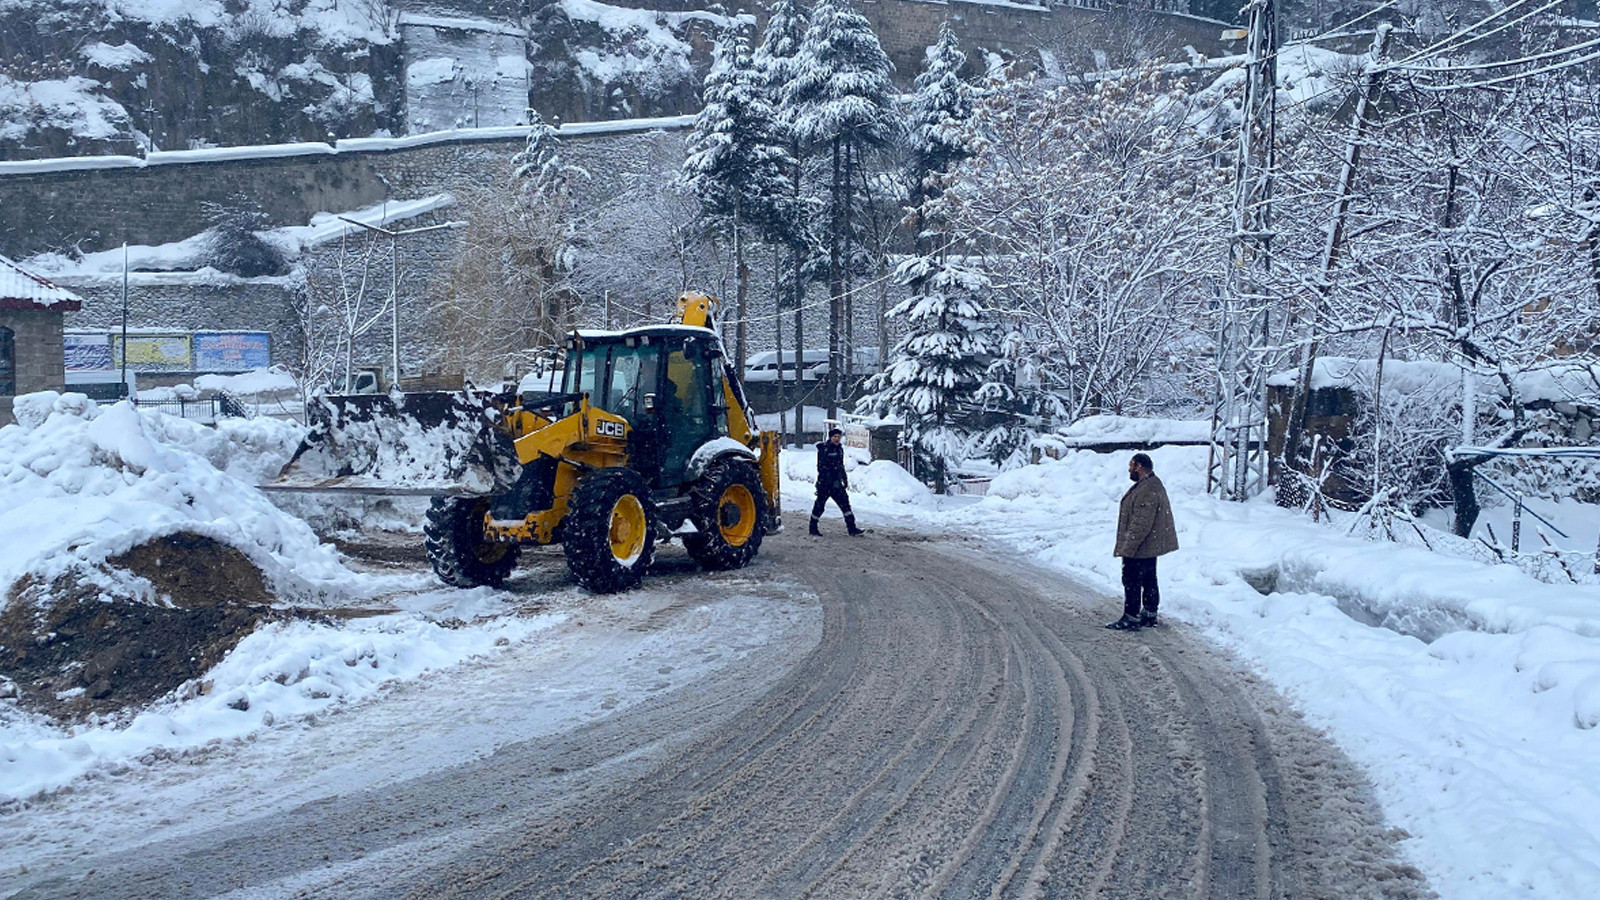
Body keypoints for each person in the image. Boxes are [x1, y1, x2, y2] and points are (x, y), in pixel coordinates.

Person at [1107, 452, 1178, 630]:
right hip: (1148, 545)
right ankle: (1149, 614)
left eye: (1131, 465)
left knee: (1132, 580)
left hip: (1141, 545)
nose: (1129, 469)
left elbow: (1141, 523)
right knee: (1148, 579)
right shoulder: (1150, 484)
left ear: (1139, 466)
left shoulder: (1147, 489)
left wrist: (1128, 547)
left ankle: (1131, 617)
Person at [811, 427, 864, 537]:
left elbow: (840, 466)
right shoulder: (824, 449)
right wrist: (826, 480)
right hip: (825, 483)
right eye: (835, 437)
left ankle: (852, 529)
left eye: (839, 437)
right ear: (830, 437)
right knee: (819, 506)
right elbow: (821, 467)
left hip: (837, 484)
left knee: (845, 505)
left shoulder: (839, 449)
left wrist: (844, 479)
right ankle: (813, 528)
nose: (837, 439)